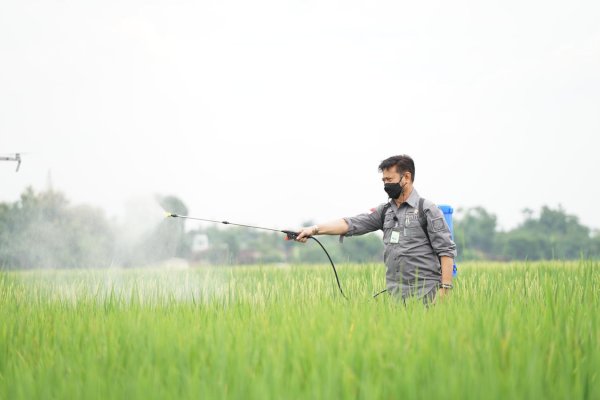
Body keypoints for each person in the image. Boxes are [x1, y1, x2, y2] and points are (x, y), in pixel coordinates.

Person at [296, 155, 457, 304]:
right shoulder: (385, 211)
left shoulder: (427, 209)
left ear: (406, 177)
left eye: (390, 179)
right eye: (383, 180)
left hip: (426, 293)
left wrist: (445, 289)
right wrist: (314, 229)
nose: (386, 185)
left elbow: (446, 251)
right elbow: (351, 223)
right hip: (395, 295)